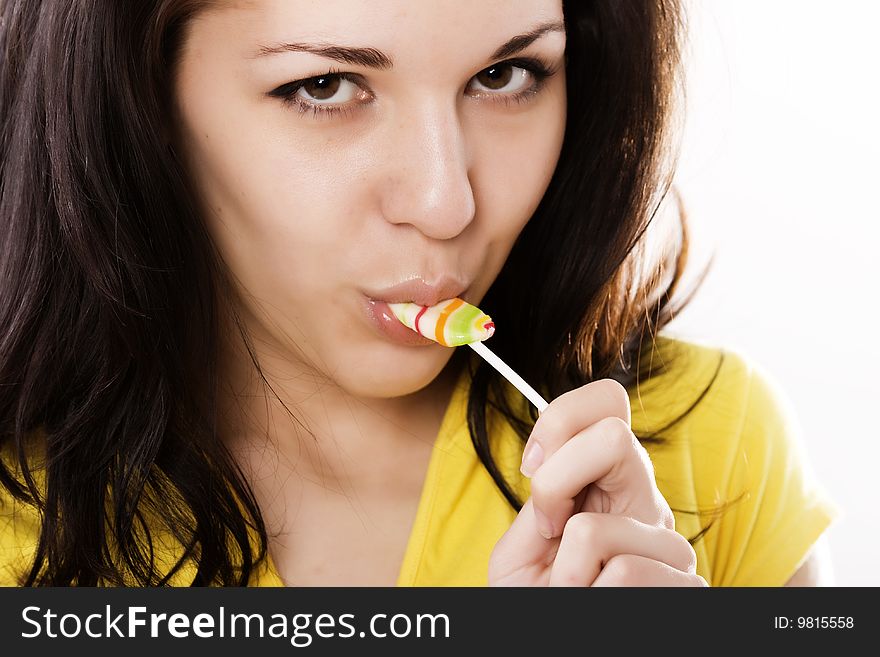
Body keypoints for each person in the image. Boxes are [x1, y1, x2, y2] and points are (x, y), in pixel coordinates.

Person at [0, 0, 837, 587]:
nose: (447, 203)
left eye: (508, 73)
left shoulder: (708, 449)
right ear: (138, 95)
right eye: (325, 86)